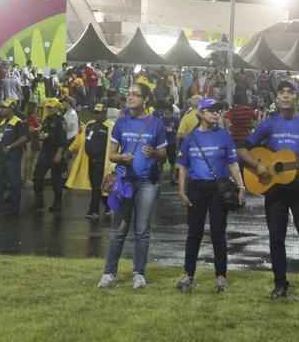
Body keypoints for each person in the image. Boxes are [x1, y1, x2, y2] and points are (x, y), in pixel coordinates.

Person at [238, 79, 299, 303]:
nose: (286, 96)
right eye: (282, 93)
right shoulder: (269, 124)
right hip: (275, 188)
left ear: (297, 98)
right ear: (276, 98)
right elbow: (242, 148)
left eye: (290, 93)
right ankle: (280, 284)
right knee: (276, 238)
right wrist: (258, 166)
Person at [98, 83, 168, 290]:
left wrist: (154, 153)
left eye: (136, 95)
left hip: (148, 182)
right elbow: (110, 154)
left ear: (146, 99)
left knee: (142, 230)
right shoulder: (121, 123)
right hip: (124, 182)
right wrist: (121, 158)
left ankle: (139, 273)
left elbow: (164, 155)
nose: (130, 98)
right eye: (129, 94)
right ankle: (109, 273)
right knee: (118, 230)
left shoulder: (156, 124)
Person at [175, 98, 244, 293]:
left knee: (218, 233)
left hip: (218, 189)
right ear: (200, 113)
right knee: (194, 233)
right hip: (196, 188)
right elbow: (183, 167)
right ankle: (188, 274)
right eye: (211, 110)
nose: (216, 114)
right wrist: (181, 191)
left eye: (218, 111)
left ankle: (221, 275)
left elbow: (232, 163)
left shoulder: (224, 136)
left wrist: (241, 185)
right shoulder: (190, 138)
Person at [0, 98, 29, 216]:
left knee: (14, 183)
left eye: (4, 108)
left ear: (11, 108)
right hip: (0, 158)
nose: (1, 110)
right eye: (1, 107)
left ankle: (14, 208)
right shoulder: (1, 123)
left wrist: (11, 146)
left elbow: (25, 137)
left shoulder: (18, 122)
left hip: (12, 157)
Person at [32, 98, 68, 212]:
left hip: (56, 151)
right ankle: (39, 201)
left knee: (56, 179)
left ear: (57, 108)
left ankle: (57, 203)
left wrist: (59, 153)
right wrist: (40, 135)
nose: (49, 109)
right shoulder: (46, 119)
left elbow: (63, 140)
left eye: (51, 107)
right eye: (48, 107)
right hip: (45, 151)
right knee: (37, 176)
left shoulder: (60, 120)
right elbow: (43, 132)